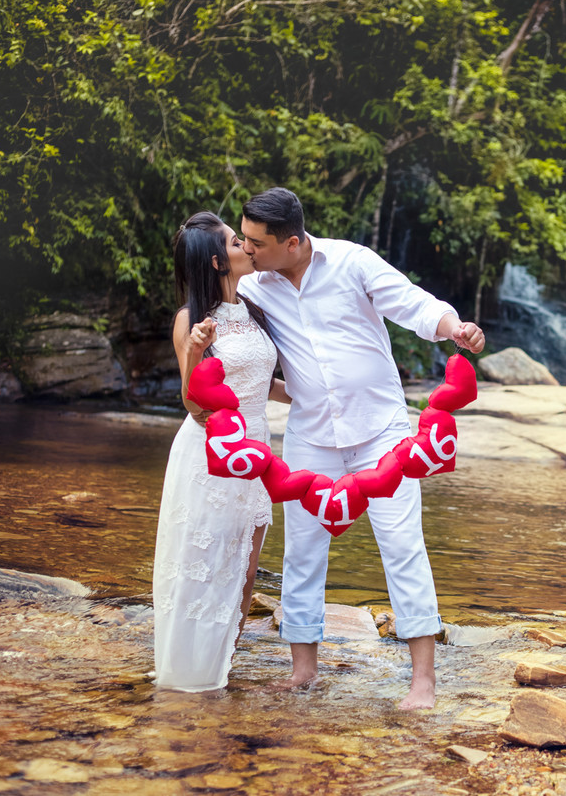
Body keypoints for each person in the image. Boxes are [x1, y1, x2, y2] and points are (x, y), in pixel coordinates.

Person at [236, 187, 484, 710]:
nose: (248, 249)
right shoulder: (256, 287)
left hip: (381, 431)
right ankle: (304, 671)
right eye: (244, 240)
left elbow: (412, 302)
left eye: (257, 241)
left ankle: (423, 681)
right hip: (310, 434)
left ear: (294, 242)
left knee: (401, 546)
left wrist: (454, 328)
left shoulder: (351, 261)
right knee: (303, 552)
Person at [153, 210, 291, 692]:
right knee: (203, 564)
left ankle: (221, 671)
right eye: (237, 242)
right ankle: (188, 678)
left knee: (244, 570)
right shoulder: (191, 320)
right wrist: (194, 350)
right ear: (217, 261)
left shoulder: (253, 309)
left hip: (257, 452)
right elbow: (192, 401)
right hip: (211, 454)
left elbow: (259, 381)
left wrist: (311, 394)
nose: (248, 246)